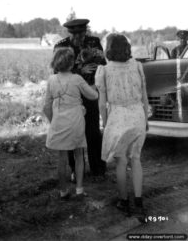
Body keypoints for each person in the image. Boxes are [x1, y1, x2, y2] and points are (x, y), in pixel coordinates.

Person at [95, 33, 149, 222]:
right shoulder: (137, 66)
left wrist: (105, 122)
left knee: (121, 161)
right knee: (136, 159)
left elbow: (102, 104)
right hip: (138, 115)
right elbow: (144, 95)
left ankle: (124, 202)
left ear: (108, 49)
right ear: (127, 47)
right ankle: (139, 203)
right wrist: (146, 118)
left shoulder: (104, 71)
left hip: (117, 117)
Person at [54, 19, 106, 180]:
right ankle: (76, 170)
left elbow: (102, 63)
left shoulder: (94, 41)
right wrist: (80, 69)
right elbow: (57, 69)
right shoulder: (61, 45)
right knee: (73, 132)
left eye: (81, 33)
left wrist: (96, 68)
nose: (79, 37)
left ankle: (98, 168)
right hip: (71, 93)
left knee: (93, 132)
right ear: (70, 33)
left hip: (90, 90)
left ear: (86, 31)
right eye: (75, 34)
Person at [43, 47, 98, 199]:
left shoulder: (51, 80)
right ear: (72, 63)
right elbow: (93, 96)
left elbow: (46, 106)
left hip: (59, 122)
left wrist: (53, 120)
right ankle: (79, 189)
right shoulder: (77, 79)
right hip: (75, 121)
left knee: (62, 158)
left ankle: (63, 191)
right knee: (79, 154)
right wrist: (94, 87)